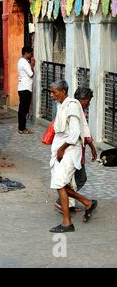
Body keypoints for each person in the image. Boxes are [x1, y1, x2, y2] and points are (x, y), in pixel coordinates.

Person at [49, 80, 97, 233]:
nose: (51, 94)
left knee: (61, 183)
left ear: (63, 91)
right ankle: (86, 202)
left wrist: (62, 148)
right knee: (60, 184)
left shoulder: (72, 105)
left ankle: (67, 222)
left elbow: (76, 132)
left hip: (69, 151)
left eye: (54, 91)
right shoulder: (62, 105)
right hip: (61, 150)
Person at [17, 46, 35, 134]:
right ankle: (22, 128)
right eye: (30, 53)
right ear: (26, 53)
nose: (31, 55)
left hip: (22, 87)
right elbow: (31, 74)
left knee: (22, 109)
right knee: (24, 109)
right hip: (25, 88)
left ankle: (21, 127)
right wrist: (32, 65)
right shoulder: (25, 63)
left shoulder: (20, 61)